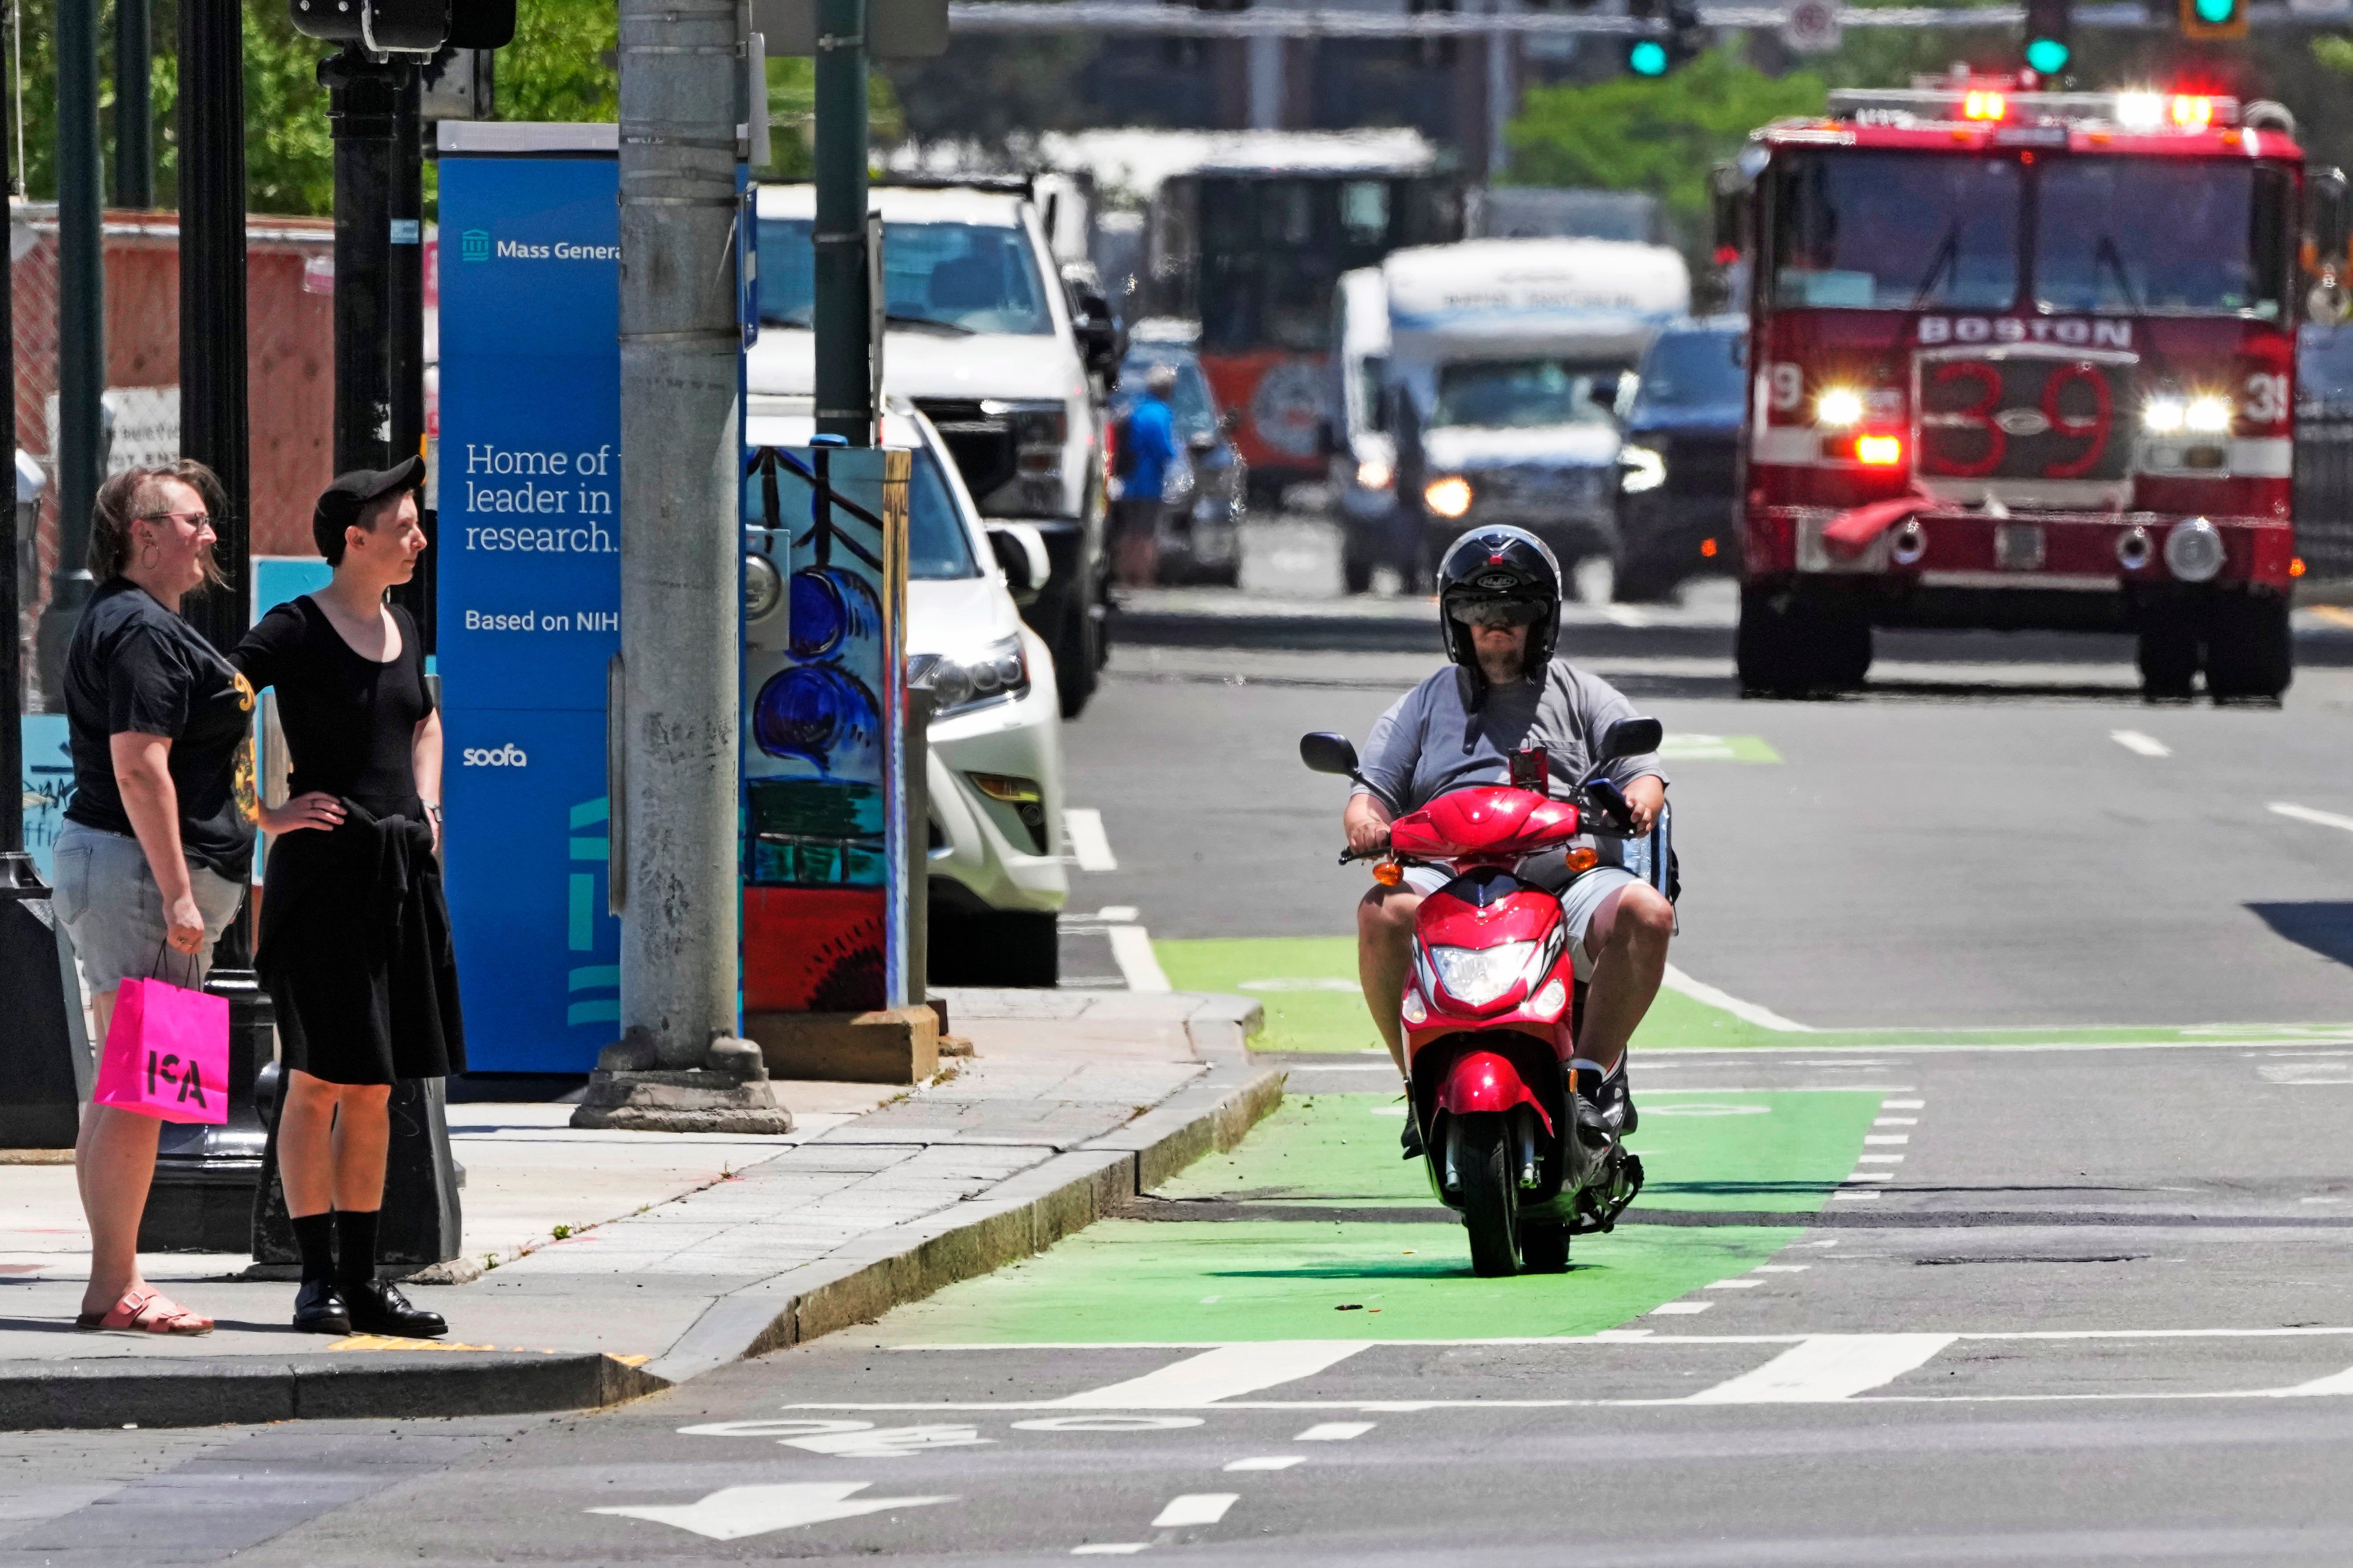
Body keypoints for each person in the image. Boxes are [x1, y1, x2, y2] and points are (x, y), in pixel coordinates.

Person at [1345, 525, 1673, 1147]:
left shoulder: (1582, 693)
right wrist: (1365, 819)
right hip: (1449, 873)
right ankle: (1416, 1082)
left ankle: (1593, 1076)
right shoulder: (1422, 702)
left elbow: (1644, 769)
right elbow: (1371, 787)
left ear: (1542, 618)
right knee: (1380, 913)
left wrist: (1638, 799)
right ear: (1454, 619)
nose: (1496, 624)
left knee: (1648, 913)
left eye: (1515, 610)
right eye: (1478, 609)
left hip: (1564, 873)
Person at [234, 455, 463, 1337]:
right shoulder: (293, 627)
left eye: (417, 521)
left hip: (400, 879)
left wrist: (428, 800)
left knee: (376, 1088)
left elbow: (425, 717)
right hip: (322, 882)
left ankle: (367, 1282)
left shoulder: (402, 622)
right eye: (403, 524)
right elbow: (218, 702)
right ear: (351, 538)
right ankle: (315, 1279)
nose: (419, 537)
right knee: (319, 1079)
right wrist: (265, 808)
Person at [53, 461, 251, 1336]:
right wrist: (180, 893)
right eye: (193, 521)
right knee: (138, 1089)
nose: (209, 536)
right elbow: (141, 764)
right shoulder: (139, 627)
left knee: (119, 1088)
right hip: (139, 873)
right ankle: (116, 1285)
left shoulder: (130, 621)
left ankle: (114, 1280)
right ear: (145, 534)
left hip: (115, 865)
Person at [1111, 363, 1181, 587]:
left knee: (1128, 532)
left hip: (1128, 481)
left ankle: (1124, 576)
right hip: (1149, 484)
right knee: (1146, 533)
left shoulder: (1137, 409)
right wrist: (1179, 454)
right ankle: (1143, 577)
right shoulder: (1160, 413)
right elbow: (1164, 449)